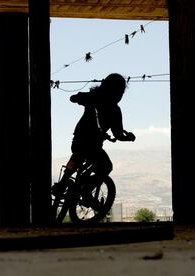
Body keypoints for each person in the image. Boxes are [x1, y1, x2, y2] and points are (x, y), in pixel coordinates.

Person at [52, 73, 136, 206]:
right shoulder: (115, 110)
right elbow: (118, 134)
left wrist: (80, 97)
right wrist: (129, 138)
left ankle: (62, 184)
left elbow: (74, 98)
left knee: (76, 156)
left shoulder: (94, 98)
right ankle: (86, 190)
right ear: (119, 92)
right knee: (106, 166)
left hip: (78, 140)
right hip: (93, 146)